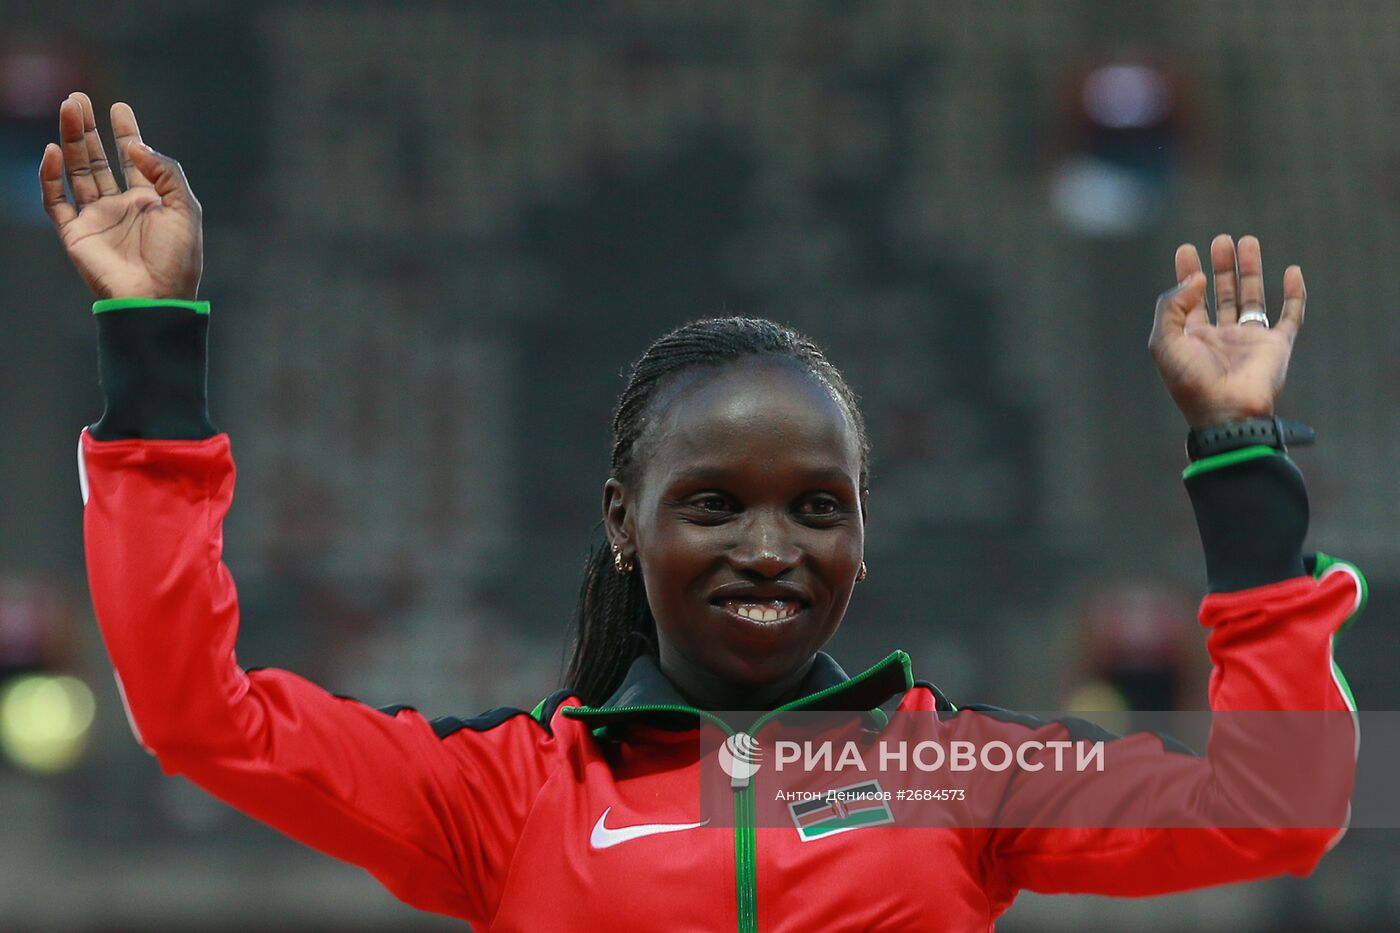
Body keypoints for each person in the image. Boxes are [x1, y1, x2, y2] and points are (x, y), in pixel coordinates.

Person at [43, 91, 1364, 932]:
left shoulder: (960, 777)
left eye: (818, 507)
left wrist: (1238, 459)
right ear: (626, 520)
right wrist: (152, 342)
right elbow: (194, 710)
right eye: (716, 503)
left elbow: (1280, 802)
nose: (771, 547)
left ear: (863, 534)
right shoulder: (504, 797)